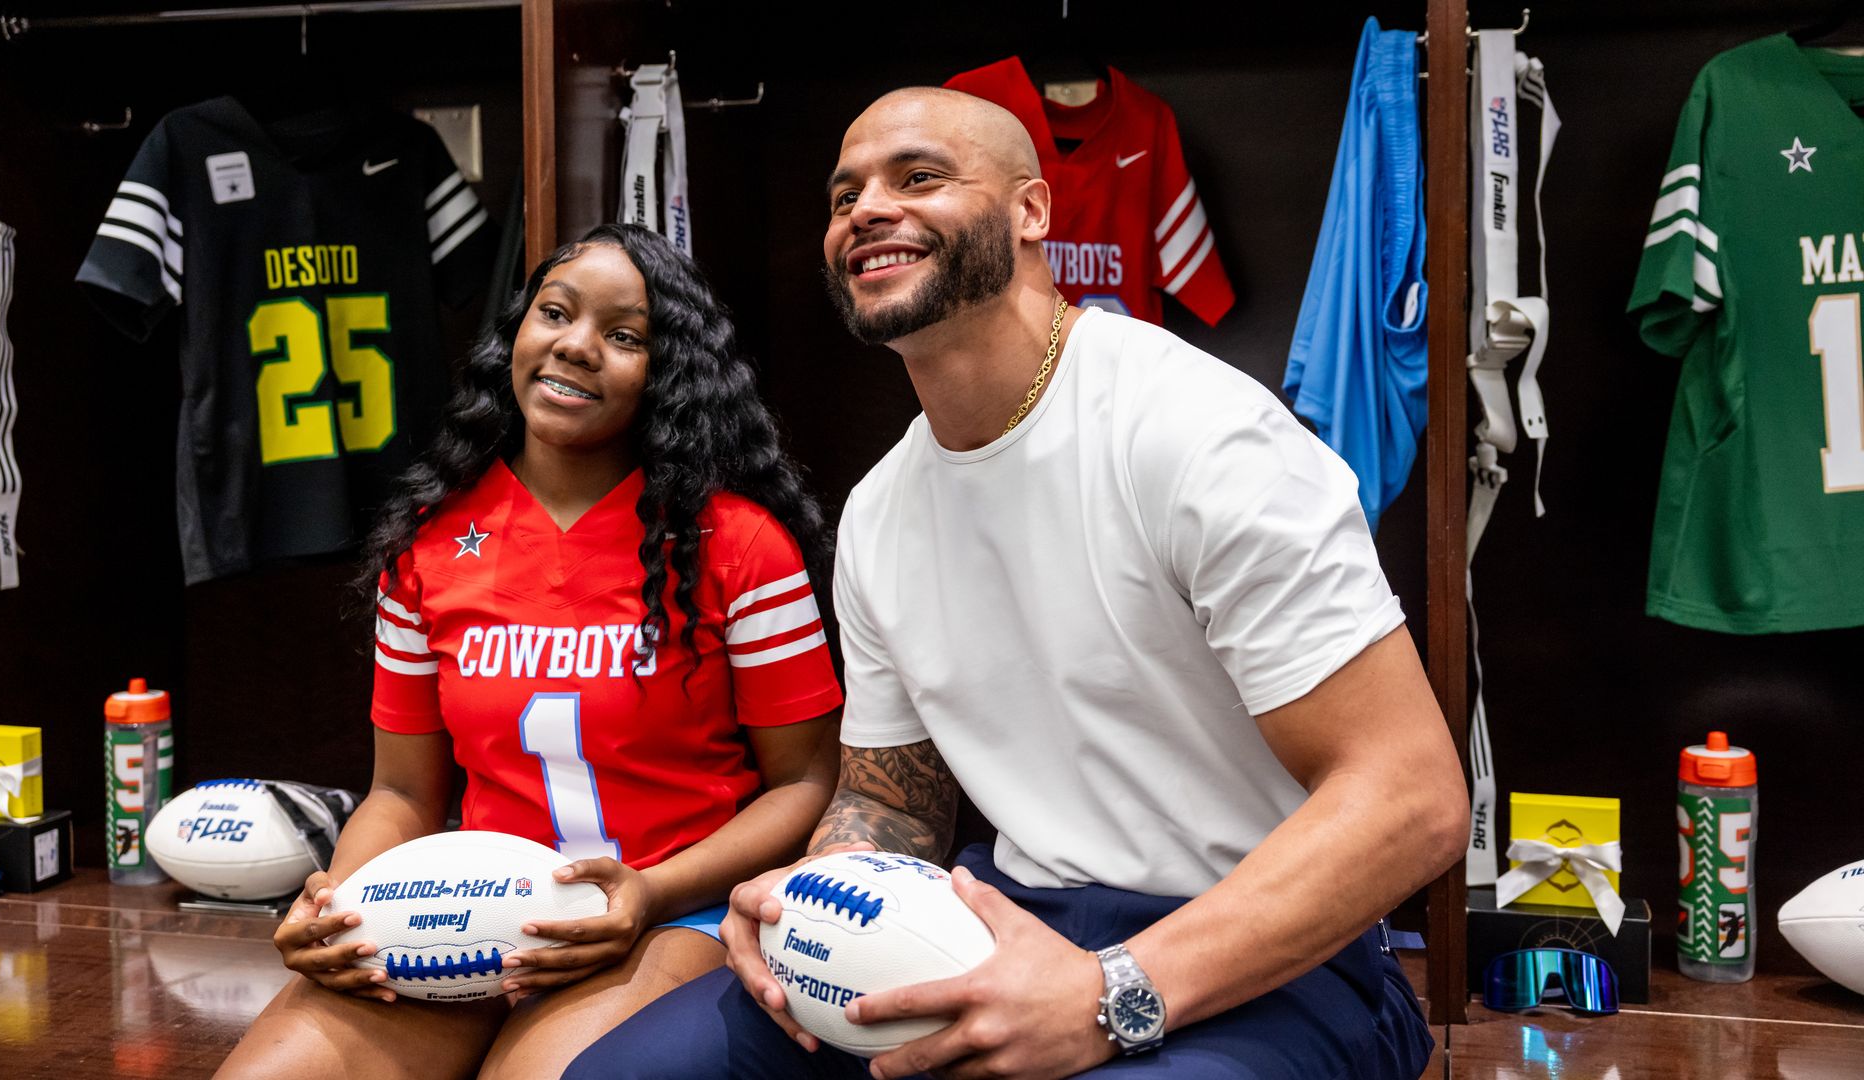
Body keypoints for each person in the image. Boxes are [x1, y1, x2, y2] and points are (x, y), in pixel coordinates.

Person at [570, 88, 1466, 1080]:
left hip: (1267, 956)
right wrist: (801, 910)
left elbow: (1411, 799)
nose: (866, 208)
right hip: (1002, 917)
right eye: (844, 194)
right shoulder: (880, 511)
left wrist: (1106, 992)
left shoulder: (1195, 433)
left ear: (1032, 211)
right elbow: (895, 809)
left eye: (919, 177)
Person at [216, 223, 844, 1079]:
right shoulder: (429, 545)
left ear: (669, 376)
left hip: (671, 914)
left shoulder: (739, 545)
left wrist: (651, 892)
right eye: (555, 312)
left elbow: (807, 783)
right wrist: (338, 903)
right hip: (465, 912)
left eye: (625, 337)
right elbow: (402, 790)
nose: (576, 346)